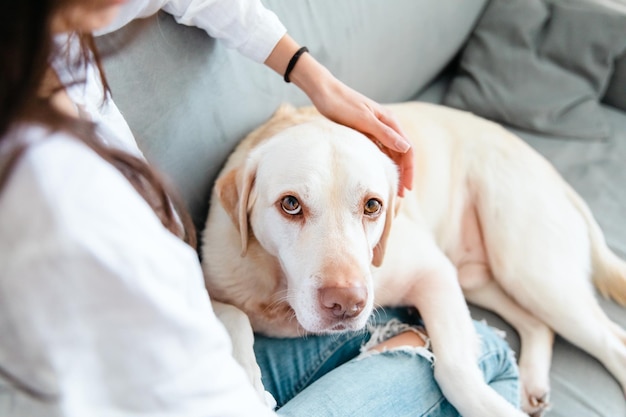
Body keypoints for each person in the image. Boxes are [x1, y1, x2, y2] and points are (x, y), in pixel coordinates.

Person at [0, 0, 522, 416]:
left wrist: (316, 79)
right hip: (193, 389)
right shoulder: (53, 191)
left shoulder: (52, 57)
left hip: (205, 360)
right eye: (293, 205)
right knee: (488, 355)